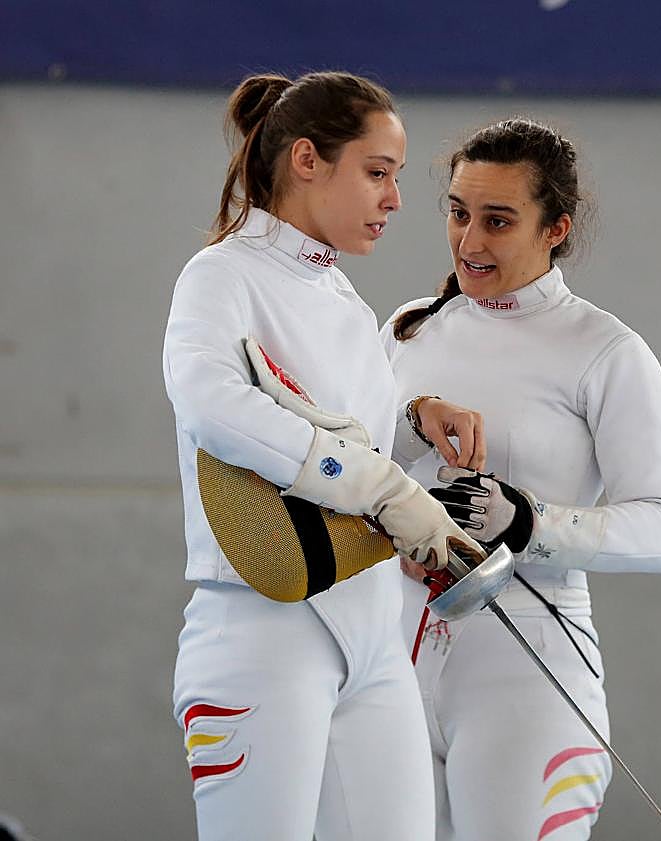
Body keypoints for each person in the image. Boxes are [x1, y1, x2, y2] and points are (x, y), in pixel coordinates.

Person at [162, 71, 489, 841]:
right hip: (263, 630)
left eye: (397, 178)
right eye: (377, 173)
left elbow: (348, 442)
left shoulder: (341, 298)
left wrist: (411, 424)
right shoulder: (222, 274)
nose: (395, 200)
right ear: (307, 159)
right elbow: (212, 406)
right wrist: (378, 483)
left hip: (371, 634)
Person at [381, 118, 661, 841]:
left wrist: (527, 522)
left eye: (497, 220)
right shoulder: (407, 328)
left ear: (555, 228)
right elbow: (358, 465)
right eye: (457, 213)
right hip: (389, 655)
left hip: (527, 668)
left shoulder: (606, 351)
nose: (468, 240)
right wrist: (411, 418)